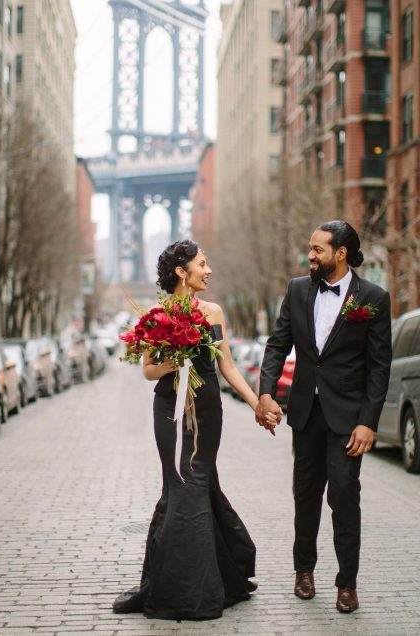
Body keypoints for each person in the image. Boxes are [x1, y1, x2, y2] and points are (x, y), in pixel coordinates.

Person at [113, 239, 281, 621]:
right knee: (181, 486)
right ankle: (189, 589)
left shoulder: (214, 312)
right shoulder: (156, 316)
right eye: (202, 264)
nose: (209, 271)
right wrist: (177, 359)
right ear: (181, 272)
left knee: (196, 483)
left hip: (206, 411)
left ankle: (211, 579)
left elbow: (229, 367)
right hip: (169, 410)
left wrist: (258, 405)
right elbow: (148, 371)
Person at [256, 221, 392, 614]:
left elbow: (379, 366)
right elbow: (277, 344)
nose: (310, 256)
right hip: (306, 414)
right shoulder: (298, 289)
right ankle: (304, 570)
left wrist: (369, 421)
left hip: (349, 418)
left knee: (345, 496)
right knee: (305, 496)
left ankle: (347, 583)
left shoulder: (374, 298)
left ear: (341, 253)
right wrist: (266, 392)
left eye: (318, 249)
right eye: (310, 249)